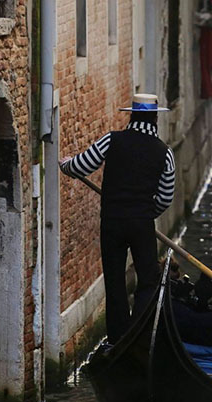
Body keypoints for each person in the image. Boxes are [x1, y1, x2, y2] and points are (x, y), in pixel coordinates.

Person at [59, 93, 175, 343]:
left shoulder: (112, 140)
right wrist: (144, 214)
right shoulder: (164, 152)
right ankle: (140, 333)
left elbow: (81, 166)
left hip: (112, 221)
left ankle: (118, 337)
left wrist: (65, 164)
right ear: (155, 118)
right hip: (142, 223)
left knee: (114, 279)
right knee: (147, 279)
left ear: (131, 115)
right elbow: (165, 198)